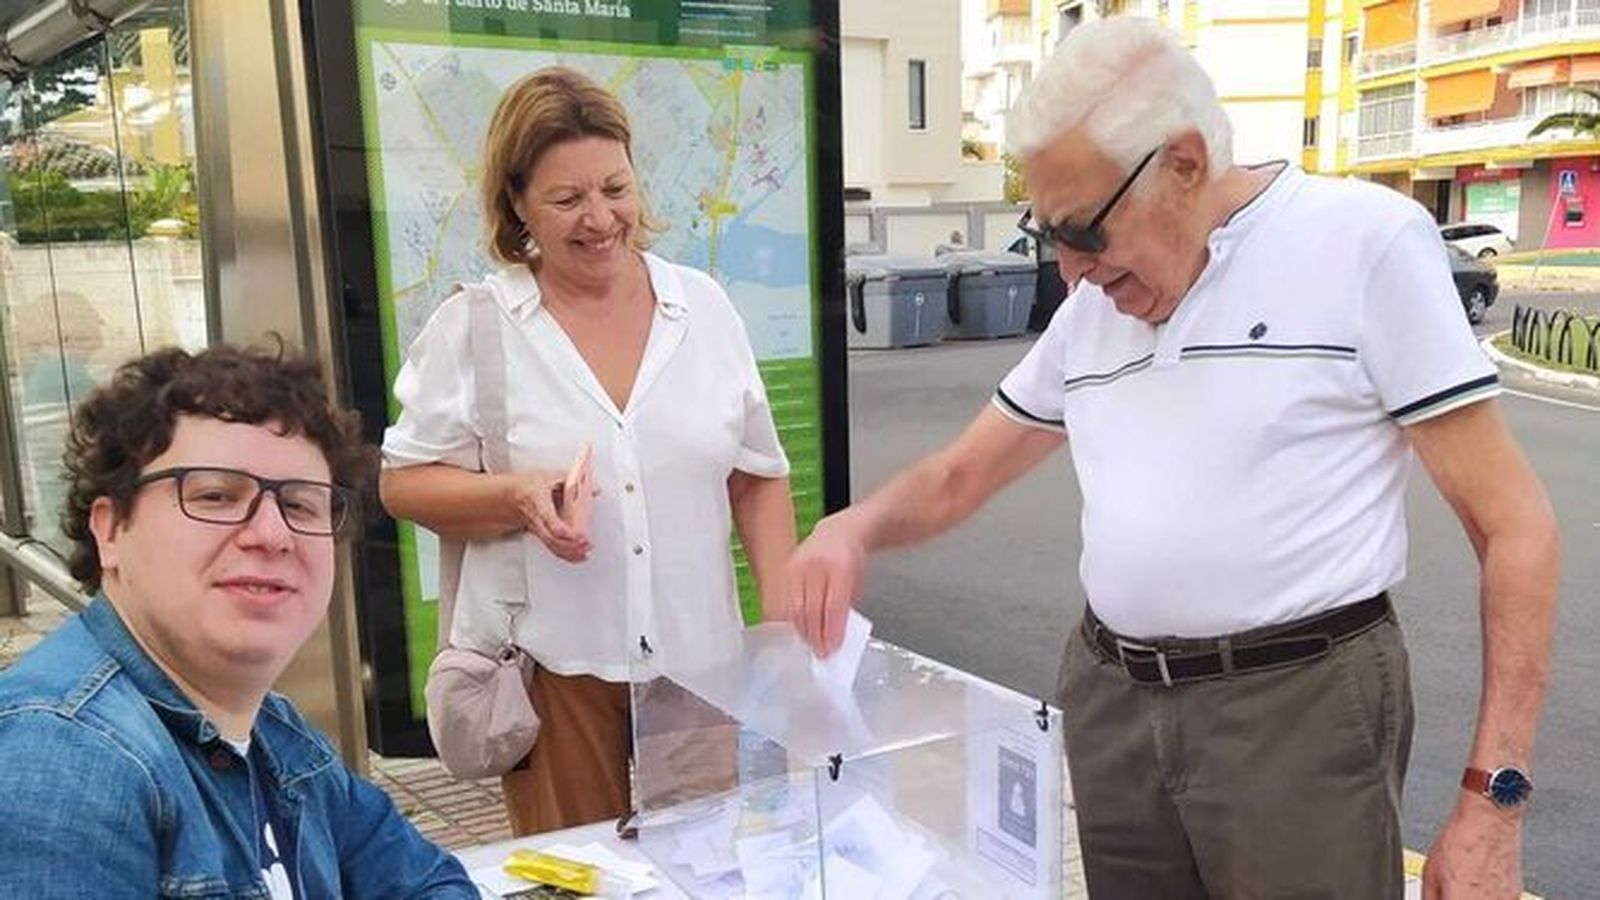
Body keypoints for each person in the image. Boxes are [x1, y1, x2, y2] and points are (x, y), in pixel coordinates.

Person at [784, 19, 1559, 900]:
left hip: (1294, 706)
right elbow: (962, 473)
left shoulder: (1363, 245)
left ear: (1185, 162)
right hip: (1115, 702)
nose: (1069, 273)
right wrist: (853, 528)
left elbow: (1517, 528)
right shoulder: (1096, 307)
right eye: (1048, 236)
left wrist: (1494, 805)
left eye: (1085, 232)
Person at [381, 66, 796, 836]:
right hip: (550, 669)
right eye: (567, 200)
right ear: (516, 205)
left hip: (696, 663)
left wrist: (781, 629)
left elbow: (757, 476)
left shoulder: (701, 308)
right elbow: (403, 485)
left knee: (707, 873)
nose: (600, 218)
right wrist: (512, 497)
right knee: (578, 883)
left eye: (615, 188)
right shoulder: (476, 326)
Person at [0, 344, 477, 898]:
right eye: (216, 495)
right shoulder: (63, 762)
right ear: (109, 531)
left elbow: (426, 882)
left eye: (301, 505)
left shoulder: (273, 733)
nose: (271, 534)